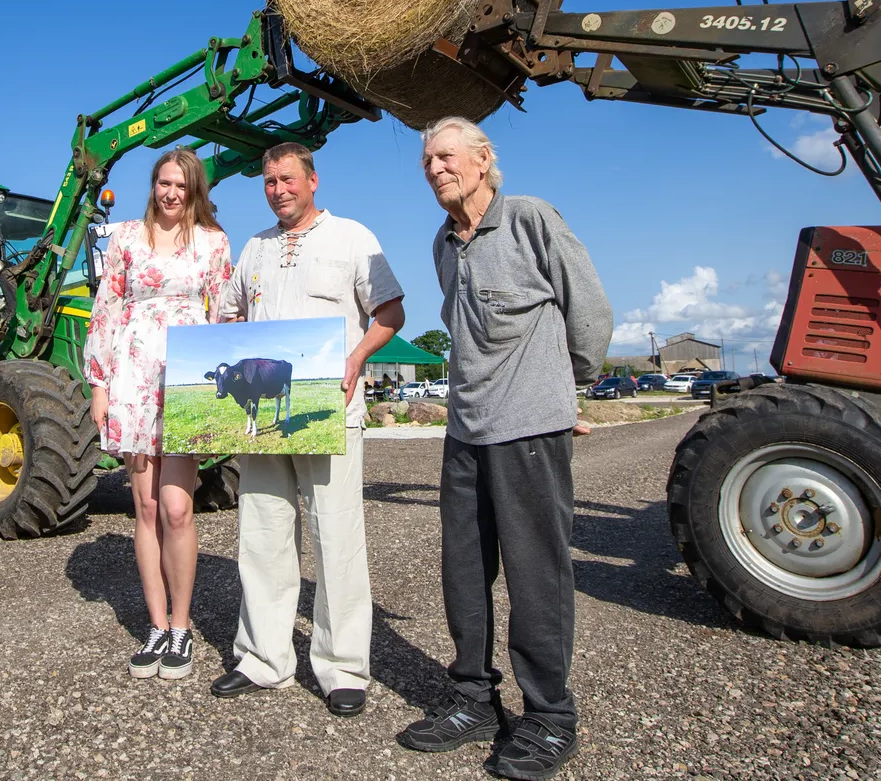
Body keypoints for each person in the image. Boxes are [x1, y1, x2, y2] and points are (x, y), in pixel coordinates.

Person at [399, 117, 612, 780]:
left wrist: (566, 391)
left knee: (535, 574)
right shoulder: (443, 243)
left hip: (528, 428)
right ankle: (473, 701)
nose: (436, 167)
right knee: (463, 572)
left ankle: (550, 716)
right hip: (464, 430)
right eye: (427, 159)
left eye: (447, 155)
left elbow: (591, 312)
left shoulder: (529, 219)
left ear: (484, 158)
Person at [210, 141, 405, 718]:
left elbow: (390, 311)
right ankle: (262, 658)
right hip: (263, 425)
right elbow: (228, 316)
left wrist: (356, 358)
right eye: (269, 181)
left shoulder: (352, 237)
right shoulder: (254, 249)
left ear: (313, 180)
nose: (278, 189)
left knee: (337, 536)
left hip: (329, 410)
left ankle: (342, 667)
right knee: (263, 534)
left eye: (288, 178)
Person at [83, 149, 234, 681]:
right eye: (164, 183)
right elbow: (107, 308)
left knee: (176, 508)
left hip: (189, 376)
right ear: (154, 186)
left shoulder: (214, 244)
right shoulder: (126, 237)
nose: (171, 193)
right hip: (134, 375)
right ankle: (156, 626)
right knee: (144, 510)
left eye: (181, 185)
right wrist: (99, 384)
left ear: (195, 190)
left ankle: (183, 626)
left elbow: (225, 312)